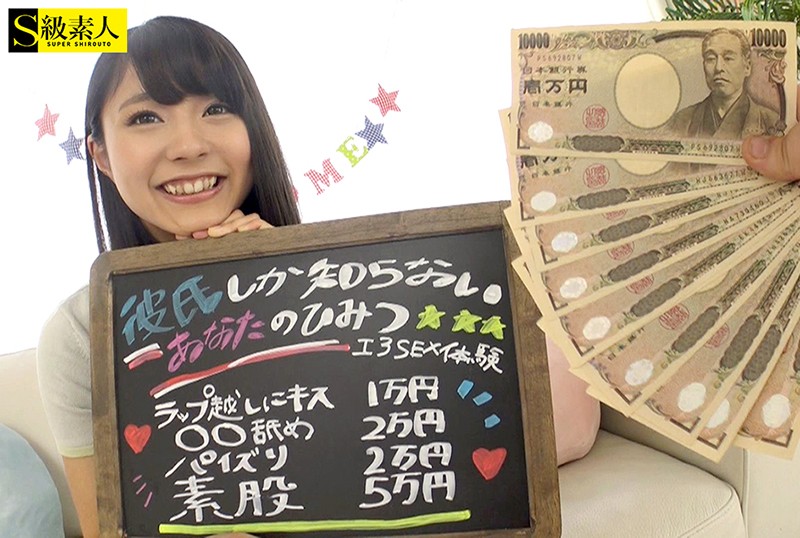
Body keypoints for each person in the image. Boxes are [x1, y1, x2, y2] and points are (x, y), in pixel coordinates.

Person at [36, 16, 300, 538]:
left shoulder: (346, 287)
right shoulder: (82, 334)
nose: (188, 146)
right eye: (145, 118)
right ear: (101, 155)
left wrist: (283, 277)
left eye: (217, 109)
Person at [668, 28, 781, 139]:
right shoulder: (681, 121)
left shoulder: (771, 121)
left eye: (728, 58)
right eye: (711, 59)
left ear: (747, 67)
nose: (719, 68)